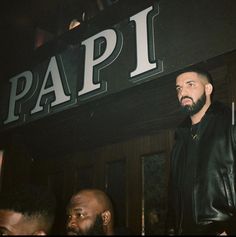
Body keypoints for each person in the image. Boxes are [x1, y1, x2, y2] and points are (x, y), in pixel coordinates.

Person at [166, 66, 236, 235]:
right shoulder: (180, 137)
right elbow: (173, 195)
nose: (183, 93)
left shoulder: (231, 121)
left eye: (190, 84)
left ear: (208, 88)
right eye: (179, 88)